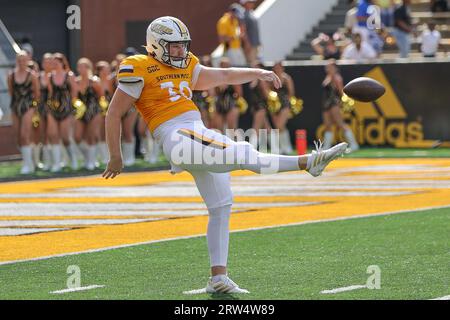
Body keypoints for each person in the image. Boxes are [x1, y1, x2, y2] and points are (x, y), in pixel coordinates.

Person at [103, 16, 348, 294]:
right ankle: (307, 163)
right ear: (157, 45)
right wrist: (115, 155)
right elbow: (114, 112)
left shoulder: (187, 65)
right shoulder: (138, 66)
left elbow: (224, 76)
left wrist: (257, 73)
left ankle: (218, 276)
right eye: (175, 47)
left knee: (221, 204)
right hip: (177, 135)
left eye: (184, 46)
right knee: (241, 153)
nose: (181, 52)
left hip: (195, 133)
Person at [7, 50, 40, 174]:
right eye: (19, 60)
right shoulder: (11, 75)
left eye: (24, 60)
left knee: (24, 134)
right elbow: (11, 92)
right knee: (17, 136)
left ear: (28, 61)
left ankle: (28, 165)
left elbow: (37, 94)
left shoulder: (32, 75)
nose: (21, 62)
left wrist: (34, 109)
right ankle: (28, 160)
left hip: (28, 106)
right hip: (15, 106)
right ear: (17, 61)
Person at [46, 52, 79, 172]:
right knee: (53, 135)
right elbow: (50, 92)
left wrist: (72, 106)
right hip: (53, 108)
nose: (54, 64)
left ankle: (73, 159)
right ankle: (56, 163)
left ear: (62, 62)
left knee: (65, 137)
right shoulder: (50, 76)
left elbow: (75, 91)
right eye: (53, 62)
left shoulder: (69, 75)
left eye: (56, 62)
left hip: (66, 108)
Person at [320, 60, 359, 152]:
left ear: (334, 68)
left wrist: (343, 103)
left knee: (340, 123)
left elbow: (341, 92)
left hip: (334, 103)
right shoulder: (327, 77)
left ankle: (354, 145)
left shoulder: (337, 78)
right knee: (327, 125)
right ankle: (326, 147)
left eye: (329, 66)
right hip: (326, 104)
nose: (327, 68)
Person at [74, 58, 104, 170]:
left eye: (84, 66)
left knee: (91, 136)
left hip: (94, 111)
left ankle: (91, 161)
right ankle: (87, 157)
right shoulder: (76, 81)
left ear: (89, 68)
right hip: (80, 112)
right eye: (79, 67)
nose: (81, 69)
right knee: (77, 137)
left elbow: (101, 97)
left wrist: (102, 111)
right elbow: (74, 97)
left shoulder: (95, 81)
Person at [270, 62, 295, 154]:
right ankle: (283, 148)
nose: (277, 69)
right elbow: (270, 91)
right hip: (274, 105)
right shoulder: (272, 78)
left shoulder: (286, 78)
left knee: (280, 125)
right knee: (278, 127)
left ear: (282, 68)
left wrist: (287, 103)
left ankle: (286, 147)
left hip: (285, 104)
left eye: (278, 67)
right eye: (275, 67)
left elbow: (291, 92)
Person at [96, 60, 114, 165]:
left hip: (111, 109)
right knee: (101, 133)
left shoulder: (112, 80)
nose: (104, 71)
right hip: (99, 109)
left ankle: (116, 155)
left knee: (112, 132)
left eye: (106, 68)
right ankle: (103, 157)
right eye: (102, 69)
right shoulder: (96, 81)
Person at [240, 0, 261, 65]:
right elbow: (243, 31)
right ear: (245, 3)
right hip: (249, 45)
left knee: (255, 63)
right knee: (251, 64)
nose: (252, 4)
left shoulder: (252, 13)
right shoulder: (243, 15)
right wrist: (247, 44)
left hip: (255, 44)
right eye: (250, 2)